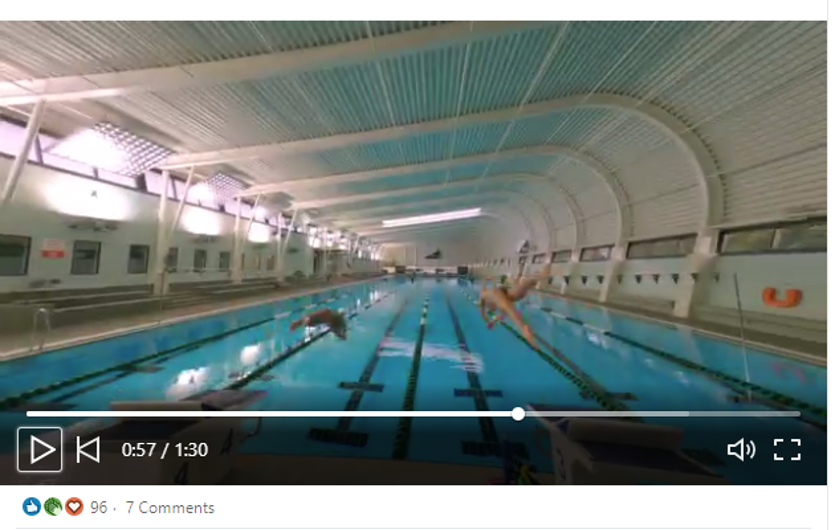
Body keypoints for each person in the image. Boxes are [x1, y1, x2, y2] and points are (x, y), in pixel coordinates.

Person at [478, 264, 551, 348]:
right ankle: (530, 275)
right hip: (512, 294)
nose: (494, 309)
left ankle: (539, 272)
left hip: (512, 293)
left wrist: (523, 328)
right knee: (525, 285)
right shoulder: (485, 296)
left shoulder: (494, 297)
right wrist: (490, 322)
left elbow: (512, 313)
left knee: (526, 284)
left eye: (492, 309)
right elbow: (485, 314)